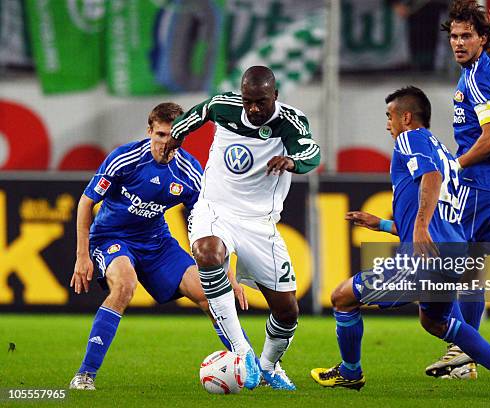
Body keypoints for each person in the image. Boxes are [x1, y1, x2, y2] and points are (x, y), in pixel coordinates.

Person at [309, 86, 490, 396]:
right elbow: (436, 211)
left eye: (390, 116)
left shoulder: (410, 139)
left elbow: (430, 179)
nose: (388, 123)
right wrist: (384, 224)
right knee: (435, 322)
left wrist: (420, 227)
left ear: (407, 117)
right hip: (453, 253)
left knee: (342, 298)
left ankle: (350, 372)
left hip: (423, 259)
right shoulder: (444, 153)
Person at [69, 102, 248, 390]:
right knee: (125, 284)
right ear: (150, 131)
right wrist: (82, 256)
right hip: (111, 238)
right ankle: (85, 374)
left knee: (210, 296)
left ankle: (250, 366)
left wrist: (228, 277)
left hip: (157, 243)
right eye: (161, 135)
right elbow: (86, 202)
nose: (167, 144)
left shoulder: (189, 172)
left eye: (174, 136)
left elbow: (210, 227)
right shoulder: (125, 159)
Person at [165, 66, 321, 390]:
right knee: (207, 252)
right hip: (216, 208)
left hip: (260, 223)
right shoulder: (226, 107)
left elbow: (311, 152)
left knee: (287, 311)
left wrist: (293, 162)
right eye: (248, 101)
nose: (253, 109)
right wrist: (177, 134)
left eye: (261, 101)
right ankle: (242, 350)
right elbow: (202, 111)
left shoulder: (289, 122)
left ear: (275, 96)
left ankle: (268, 366)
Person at [423, 0, 490, 379]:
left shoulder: (477, 78)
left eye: (467, 35)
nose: (458, 42)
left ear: (484, 38)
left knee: (447, 259)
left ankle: (458, 347)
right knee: (470, 271)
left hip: (481, 186)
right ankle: (465, 359)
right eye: (454, 35)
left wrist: (455, 164)